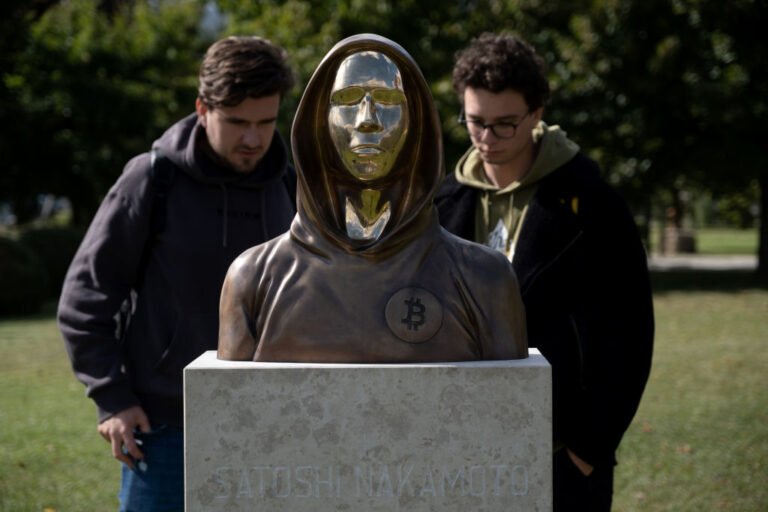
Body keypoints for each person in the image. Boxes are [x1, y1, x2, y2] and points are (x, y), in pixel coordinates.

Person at [57, 36, 296, 511]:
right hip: (166, 430)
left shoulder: (290, 186)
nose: (253, 139)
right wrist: (112, 399)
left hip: (271, 425)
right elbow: (84, 301)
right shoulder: (151, 180)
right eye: (237, 122)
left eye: (266, 122)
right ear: (203, 109)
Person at [435, 32, 654, 511]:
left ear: (536, 114)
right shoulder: (439, 203)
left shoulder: (593, 204)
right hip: (456, 445)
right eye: (475, 122)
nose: (487, 139)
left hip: (562, 455)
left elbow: (630, 333)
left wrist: (586, 451)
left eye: (505, 125)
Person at [217, 33, 527, 363]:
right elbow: (229, 395)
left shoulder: (482, 279)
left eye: (388, 101)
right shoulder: (254, 278)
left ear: (417, 122)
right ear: (318, 121)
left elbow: (512, 394)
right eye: (349, 99)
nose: (367, 120)